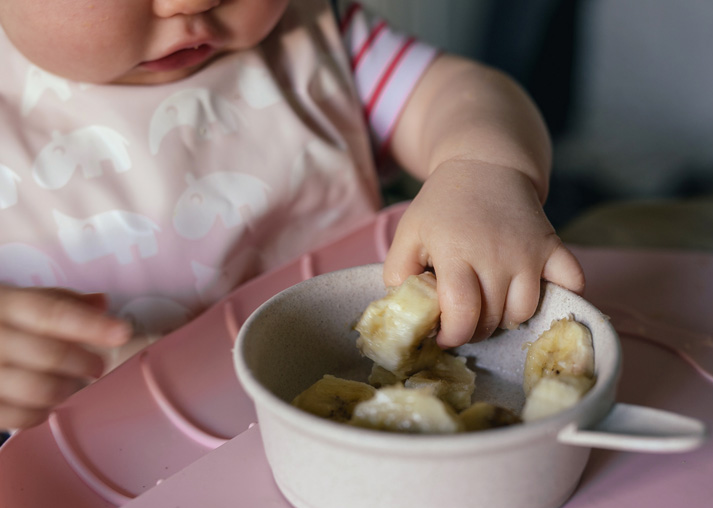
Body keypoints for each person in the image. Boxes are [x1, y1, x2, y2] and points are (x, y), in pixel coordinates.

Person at [0, 0, 584, 432]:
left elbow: (460, 95)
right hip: (110, 466)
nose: (193, 2)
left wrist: (482, 168)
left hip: (359, 430)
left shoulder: (314, 39)